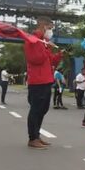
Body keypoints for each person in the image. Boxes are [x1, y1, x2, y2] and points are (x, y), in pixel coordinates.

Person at [24, 17, 63, 149]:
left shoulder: (44, 42)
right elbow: (36, 59)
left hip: (46, 80)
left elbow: (51, 61)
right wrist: (46, 48)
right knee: (36, 109)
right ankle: (32, 138)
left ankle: (37, 135)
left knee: (43, 109)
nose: (51, 31)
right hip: (37, 81)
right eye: (50, 28)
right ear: (43, 26)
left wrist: (59, 55)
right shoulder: (33, 40)